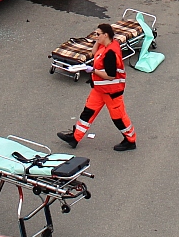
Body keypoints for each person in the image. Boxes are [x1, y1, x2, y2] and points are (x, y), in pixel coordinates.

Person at [57, 23, 137, 152]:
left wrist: (92, 70)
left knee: (118, 118)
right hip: (100, 90)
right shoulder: (105, 45)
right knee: (88, 112)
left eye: (98, 34)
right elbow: (94, 53)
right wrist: (97, 41)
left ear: (106, 35)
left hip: (112, 92)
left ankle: (130, 140)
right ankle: (75, 137)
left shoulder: (111, 53)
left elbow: (110, 76)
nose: (96, 36)